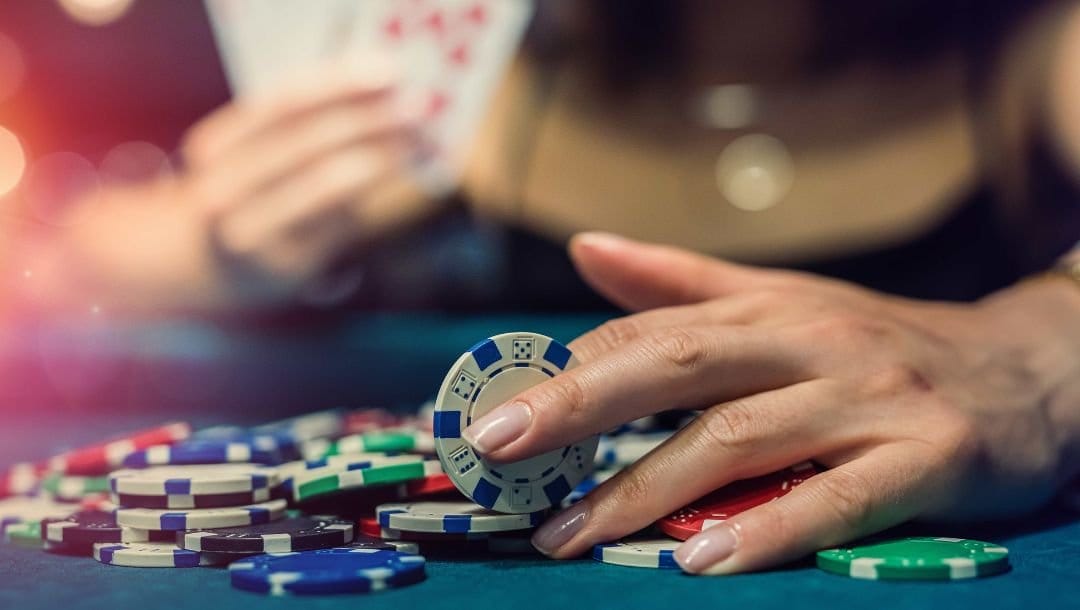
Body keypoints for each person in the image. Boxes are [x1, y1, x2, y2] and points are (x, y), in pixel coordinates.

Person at [7, 0, 1080, 575]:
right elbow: (44, 259)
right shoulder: (436, 75)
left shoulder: (1044, 49)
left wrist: (1046, 339)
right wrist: (202, 248)